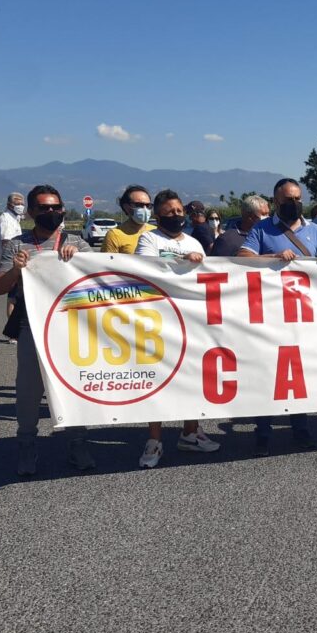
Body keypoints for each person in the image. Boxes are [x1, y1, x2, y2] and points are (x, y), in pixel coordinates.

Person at [0, 184, 92, 477]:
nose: (51, 213)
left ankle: (77, 443)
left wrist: (80, 260)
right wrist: (16, 270)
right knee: (28, 390)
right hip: (32, 326)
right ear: (32, 212)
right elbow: (0, 287)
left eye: (55, 207)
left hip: (70, 327)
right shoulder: (16, 244)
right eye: (44, 208)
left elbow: (97, 279)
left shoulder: (78, 242)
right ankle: (26, 444)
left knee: (74, 385)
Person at [239, 178, 317, 454]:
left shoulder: (314, 230)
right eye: (288, 200)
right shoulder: (262, 229)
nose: (294, 204)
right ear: (276, 202)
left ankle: (301, 429)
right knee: (268, 373)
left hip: (304, 317)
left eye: (298, 199)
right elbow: (243, 257)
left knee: (298, 374)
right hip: (270, 315)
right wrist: (272, 257)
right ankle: (262, 432)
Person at [134, 189, 221, 467]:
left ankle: (190, 431)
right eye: (170, 212)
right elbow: (145, 269)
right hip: (157, 319)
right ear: (158, 215)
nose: (176, 216)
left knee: (192, 377)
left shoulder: (194, 241)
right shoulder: (149, 238)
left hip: (190, 319)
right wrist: (182, 264)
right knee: (158, 377)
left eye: (179, 211)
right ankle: (154, 440)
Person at [0, 192, 26, 333]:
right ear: (9, 204)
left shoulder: (14, 218)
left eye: (22, 203)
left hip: (17, 263)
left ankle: (15, 329)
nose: (20, 205)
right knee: (12, 299)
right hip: (12, 265)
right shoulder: (6, 220)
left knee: (15, 297)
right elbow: (7, 243)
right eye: (17, 203)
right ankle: (13, 331)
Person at [101, 184, 154, 254]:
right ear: (126, 207)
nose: (145, 209)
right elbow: (107, 263)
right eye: (139, 205)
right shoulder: (115, 235)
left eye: (148, 205)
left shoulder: (155, 232)